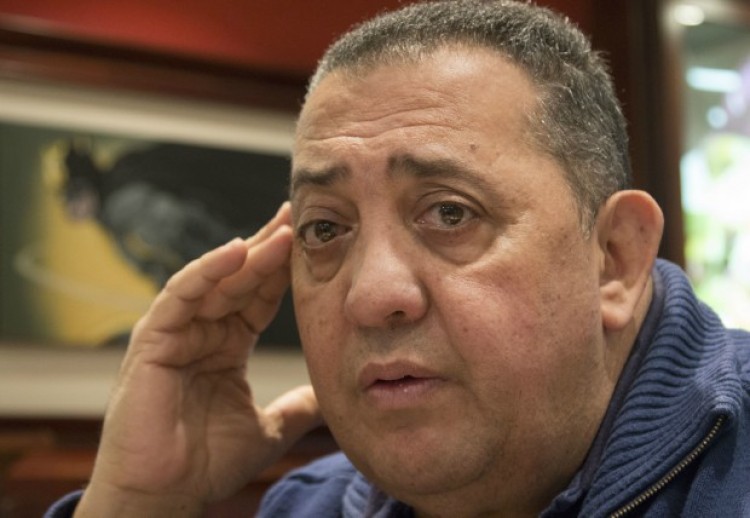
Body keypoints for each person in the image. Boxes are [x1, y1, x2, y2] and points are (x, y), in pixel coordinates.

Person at [45, 1, 750, 517]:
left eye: (450, 214)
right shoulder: (310, 508)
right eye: (326, 228)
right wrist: (134, 505)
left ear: (614, 259)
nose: (371, 295)